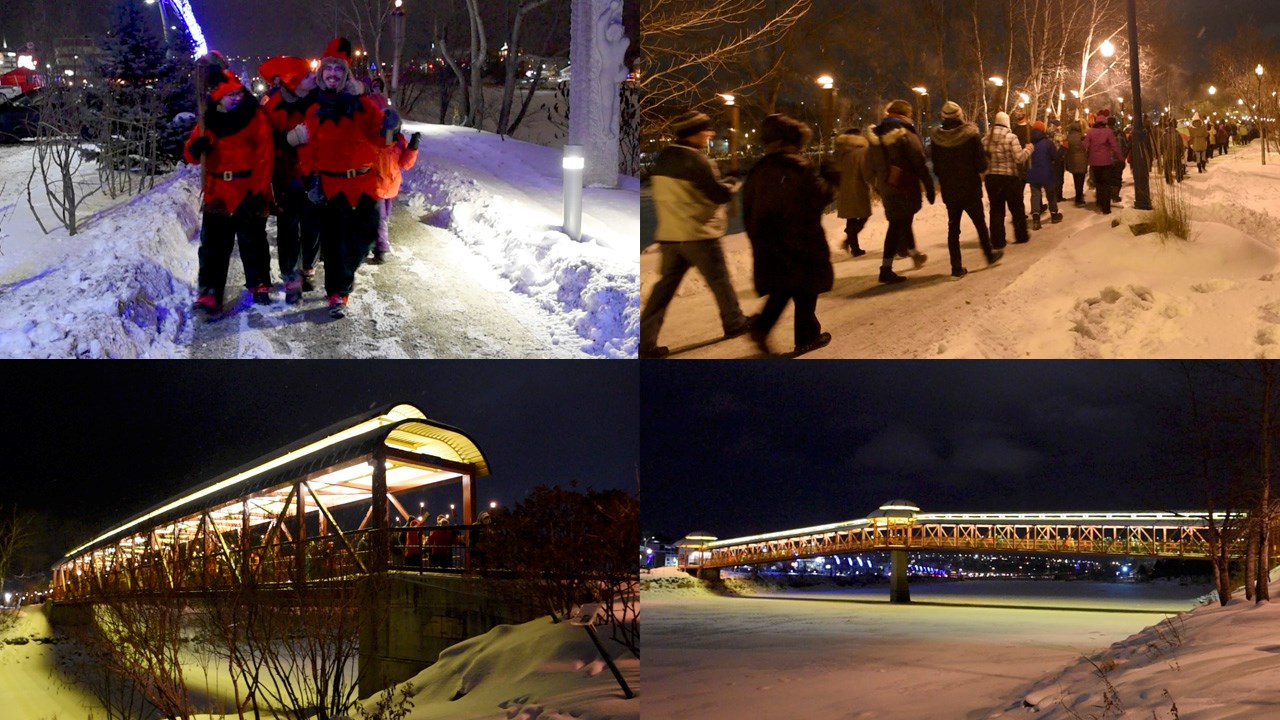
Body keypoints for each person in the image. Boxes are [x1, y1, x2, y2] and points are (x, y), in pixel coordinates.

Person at [292, 37, 397, 319]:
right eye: (329, 70)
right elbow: (309, 147)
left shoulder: (363, 106)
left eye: (339, 70)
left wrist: (390, 128)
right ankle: (338, 293)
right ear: (321, 74)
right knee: (334, 243)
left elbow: (383, 142)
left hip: (363, 184)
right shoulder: (315, 110)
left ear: (346, 75)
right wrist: (310, 178)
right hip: (331, 186)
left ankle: (344, 277)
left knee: (363, 240)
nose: (334, 75)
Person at [640, 110, 755, 359]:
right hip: (699, 233)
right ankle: (734, 322)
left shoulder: (664, 158)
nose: (710, 133)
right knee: (720, 281)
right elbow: (717, 194)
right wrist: (732, 183)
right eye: (705, 129)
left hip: (671, 235)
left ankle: (645, 341)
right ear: (693, 133)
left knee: (663, 290)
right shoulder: (696, 160)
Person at [741, 113, 836, 355]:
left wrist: (757, 237)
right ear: (791, 141)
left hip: (769, 241)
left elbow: (748, 208)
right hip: (801, 241)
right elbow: (818, 198)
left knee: (782, 289)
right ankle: (807, 336)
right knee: (805, 289)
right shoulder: (798, 167)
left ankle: (762, 329)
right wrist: (830, 177)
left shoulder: (758, 170)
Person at [185, 65, 275, 314]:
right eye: (230, 94)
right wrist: (195, 148)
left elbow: (264, 154)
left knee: (253, 241)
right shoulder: (209, 119)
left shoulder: (254, 116)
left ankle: (259, 284)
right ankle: (210, 293)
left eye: (239, 92)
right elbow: (191, 152)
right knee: (213, 246)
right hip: (218, 191)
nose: (237, 97)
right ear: (218, 96)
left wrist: (258, 191)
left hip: (247, 187)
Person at [259, 55, 320, 304]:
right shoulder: (272, 108)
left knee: (312, 225)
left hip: (313, 175)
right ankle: (290, 277)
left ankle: (308, 268)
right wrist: (287, 139)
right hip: (285, 177)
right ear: (292, 81)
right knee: (287, 228)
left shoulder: (318, 101)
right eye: (307, 75)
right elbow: (265, 142)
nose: (313, 78)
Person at [928, 101, 999, 279]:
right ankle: (989, 255)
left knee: (953, 228)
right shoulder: (971, 135)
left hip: (950, 190)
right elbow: (981, 164)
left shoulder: (937, 140)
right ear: (960, 115)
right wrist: (985, 158)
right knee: (980, 224)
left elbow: (936, 168)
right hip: (970, 188)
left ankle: (956, 266)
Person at [868, 99, 934, 283]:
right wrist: (928, 185)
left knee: (902, 220)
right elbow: (918, 161)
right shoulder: (905, 133)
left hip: (886, 185)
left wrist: (876, 183)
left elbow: (870, 164)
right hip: (904, 185)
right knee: (897, 224)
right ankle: (885, 269)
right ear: (905, 115)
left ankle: (914, 253)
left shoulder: (877, 134)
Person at [371, 122, 421, 264]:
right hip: (376, 186)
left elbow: (405, 163)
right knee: (380, 219)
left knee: (384, 218)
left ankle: (375, 245)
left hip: (390, 187)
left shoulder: (399, 142)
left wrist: (413, 147)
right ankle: (381, 248)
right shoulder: (374, 141)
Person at [983, 111, 1032, 246]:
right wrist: (1028, 150)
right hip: (1009, 177)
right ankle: (1021, 235)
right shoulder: (1011, 137)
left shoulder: (985, 139)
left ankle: (997, 240)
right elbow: (1019, 158)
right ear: (1006, 122)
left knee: (996, 209)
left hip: (992, 178)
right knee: (1016, 207)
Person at [833, 127, 874, 257]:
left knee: (851, 219)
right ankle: (849, 237)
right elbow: (866, 172)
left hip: (843, 190)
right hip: (858, 188)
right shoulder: (862, 152)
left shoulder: (839, 153)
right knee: (864, 216)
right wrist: (876, 184)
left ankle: (854, 248)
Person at [1027, 120, 1063, 230]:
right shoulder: (1048, 143)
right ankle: (1054, 214)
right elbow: (1055, 157)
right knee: (1051, 194)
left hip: (1033, 173)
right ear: (1043, 130)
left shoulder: (1029, 143)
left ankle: (1036, 219)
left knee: (1035, 195)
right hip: (1047, 172)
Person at [1083, 113, 1121, 214]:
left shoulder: (1090, 132)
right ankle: (1106, 208)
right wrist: (1120, 157)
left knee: (1098, 183)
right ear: (1105, 123)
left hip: (1094, 162)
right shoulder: (1108, 132)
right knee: (1106, 184)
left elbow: (1085, 145)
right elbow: (1114, 146)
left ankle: (1099, 202)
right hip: (1106, 162)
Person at [1065, 120, 1089, 205]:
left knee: (1076, 179)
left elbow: (1066, 149)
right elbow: (1086, 147)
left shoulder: (1069, 137)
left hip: (1073, 161)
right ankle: (1079, 197)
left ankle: (1077, 195)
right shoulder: (1082, 137)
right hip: (1082, 160)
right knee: (1081, 179)